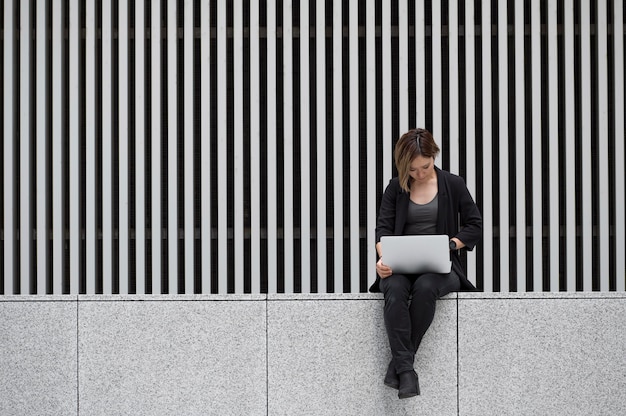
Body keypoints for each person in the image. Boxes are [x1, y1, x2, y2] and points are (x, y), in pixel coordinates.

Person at [369, 128, 482, 399]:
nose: (420, 174)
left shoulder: (452, 184)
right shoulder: (395, 187)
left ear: (434, 157)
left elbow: (474, 225)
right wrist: (383, 259)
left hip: (441, 268)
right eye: (413, 169)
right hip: (400, 267)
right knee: (394, 290)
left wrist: (452, 244)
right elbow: (382, 230)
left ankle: (401, 367)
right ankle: (406, 372)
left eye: (425, 167)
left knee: (426, 287)